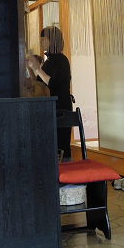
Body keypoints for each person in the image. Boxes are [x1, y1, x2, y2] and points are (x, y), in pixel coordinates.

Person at [26, 26, 73, 159]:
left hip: (61, 108)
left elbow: (53, 83)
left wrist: (38, 69)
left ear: (52, 41)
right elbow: (39, 84)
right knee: (50, 146)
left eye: (43, 39)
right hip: (50, 108)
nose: (41, 42)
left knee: (61, 146)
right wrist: (30, 68)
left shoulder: (62, 60)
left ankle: (67, 169)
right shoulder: (49, 61)